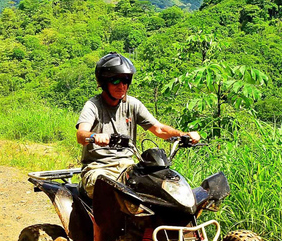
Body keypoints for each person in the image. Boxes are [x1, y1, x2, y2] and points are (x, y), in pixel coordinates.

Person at [76, 52, 200, 198]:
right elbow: (81, 135)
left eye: (126, 80)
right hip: (98, 168)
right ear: (104, 82)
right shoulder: (93, 106)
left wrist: (183, 135)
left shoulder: (133, 104)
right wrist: (95, 136)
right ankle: (98, 222)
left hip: (127, 167)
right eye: (116, 81)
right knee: (106, 190)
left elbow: (159, 129)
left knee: (159, 187)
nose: (122, 86)